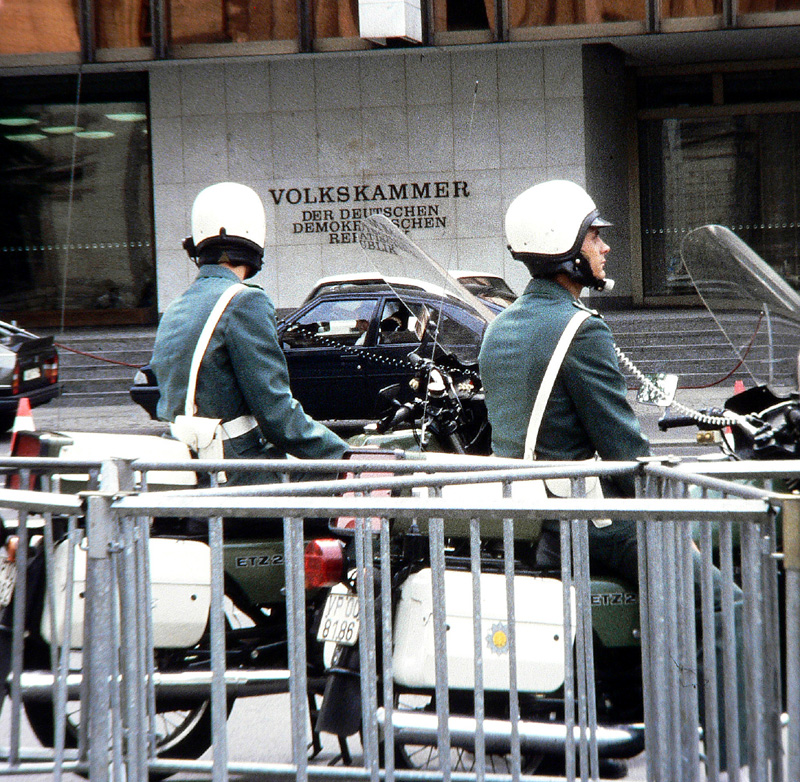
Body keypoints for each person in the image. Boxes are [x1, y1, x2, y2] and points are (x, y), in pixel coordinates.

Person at [478, 179, 746, 772]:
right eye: (594, 236)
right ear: (565, 247)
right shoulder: (581, 330)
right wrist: (674, 522)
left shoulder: (501, 325)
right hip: (585, 522)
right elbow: (625, 449)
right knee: (727, 601)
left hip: (529, 514)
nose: (604, 247)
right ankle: (739, 754)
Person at [150, 182, 349, 485]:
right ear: (254, 239)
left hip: (189, 466)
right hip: (235, 472)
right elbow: (277, 416)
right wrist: (345, 455)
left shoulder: (179, 306)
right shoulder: (245, 301)